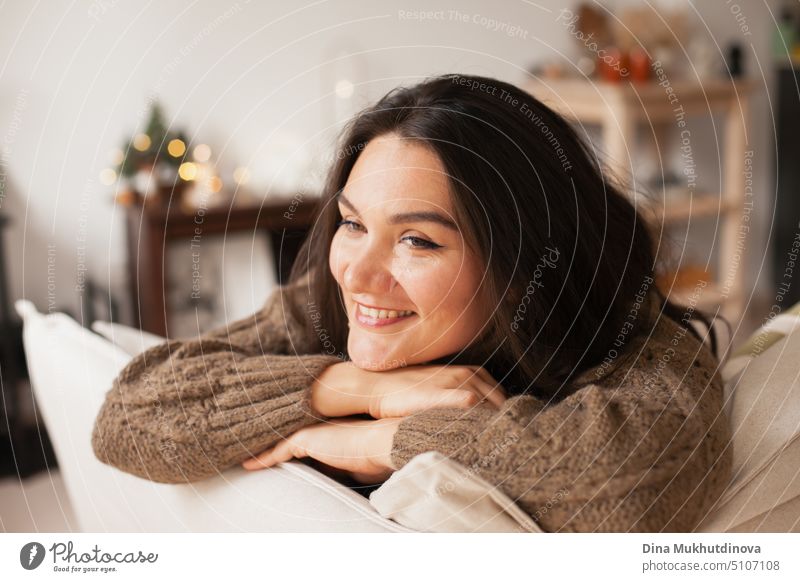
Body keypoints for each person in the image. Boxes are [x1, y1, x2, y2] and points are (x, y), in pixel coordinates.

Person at [92, 73, 732, 532]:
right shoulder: (322, 306)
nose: (359, 275)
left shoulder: (638, 350)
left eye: (418, 241)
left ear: (523, 265)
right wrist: (353, 390)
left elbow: (632, 492)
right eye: (352, 224)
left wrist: (381, 440)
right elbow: (127, 414)